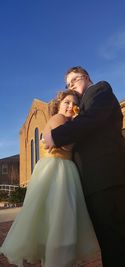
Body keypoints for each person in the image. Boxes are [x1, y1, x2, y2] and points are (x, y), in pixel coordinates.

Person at [43, 66, 125, 267]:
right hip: (95, 182)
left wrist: (57, 135)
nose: (72, 86)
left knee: (120, 243)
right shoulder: (80, 109)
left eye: (75, 81)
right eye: (68, 84)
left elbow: (92, 120)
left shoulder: (99, 90)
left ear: (86, 78)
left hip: (110, 177)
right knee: (109, 243)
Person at [0, 90, 99, 267]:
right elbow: (63, 142)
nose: (70, 106)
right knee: (61, 219)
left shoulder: (68, 121)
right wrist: (79, 124)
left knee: (57, 219)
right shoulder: (58, 119)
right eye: (67, 102)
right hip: (57, 170)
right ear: (59, 105)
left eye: (74, 103)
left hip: (63, 168)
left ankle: (54, 260)